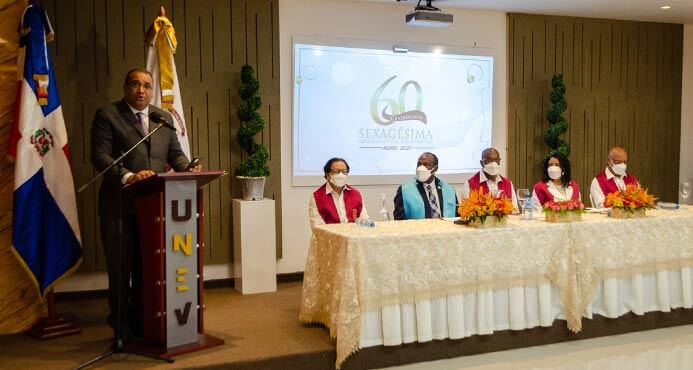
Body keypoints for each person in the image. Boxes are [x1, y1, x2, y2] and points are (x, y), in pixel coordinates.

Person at [90, 69, 199, 342]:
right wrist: (128, 176)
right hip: (119, 206)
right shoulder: (108, 115)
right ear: (126, 87)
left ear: (152, 91)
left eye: (147, 86)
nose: (142, 90)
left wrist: (190, 170)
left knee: (146, 268)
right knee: (120, 268)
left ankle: (142, 323)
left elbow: (175, 155)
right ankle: (120, 328)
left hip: (155, 209)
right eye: (136, 85)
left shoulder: (161, 117)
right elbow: (100, 156)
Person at [393, 152, 457, 220]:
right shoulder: (404, 190)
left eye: (426, 165)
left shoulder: (449, 189)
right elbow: (399, 221)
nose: (421, 168)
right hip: (418, 230)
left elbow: (457, 216)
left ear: (435, 168)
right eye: (419, 164)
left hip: (446, 229)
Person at [308, 158, 369, 228]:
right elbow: (318, 227)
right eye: (336, 171)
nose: (341, 175)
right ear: (327, 175)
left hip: (353, 236)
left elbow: (364, 220)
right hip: (328, 238)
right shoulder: (317, 196)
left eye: (344, 171)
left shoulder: (355, 194)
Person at [460, 147, 519, 212]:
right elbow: (466, 212)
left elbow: (514, 210)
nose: (493, 163)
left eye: (496, 160)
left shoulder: (508, 183)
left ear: (499, 162)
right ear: (482, 163)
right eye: (489, 160)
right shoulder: (469, 185)